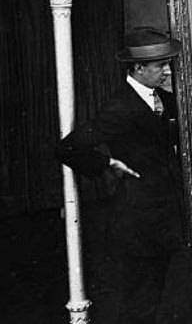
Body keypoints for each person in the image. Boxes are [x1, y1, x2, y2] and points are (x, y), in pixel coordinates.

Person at [56, 27, 185, 324]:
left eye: (167, 64)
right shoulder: (120, 106)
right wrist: (107, 162)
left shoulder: (162, 100)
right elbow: (68, 148)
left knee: (159, 295)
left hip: (165, 216)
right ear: (137, 68)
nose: (167, 72)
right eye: (160, 66)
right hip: (138, 220)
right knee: (140, 301)